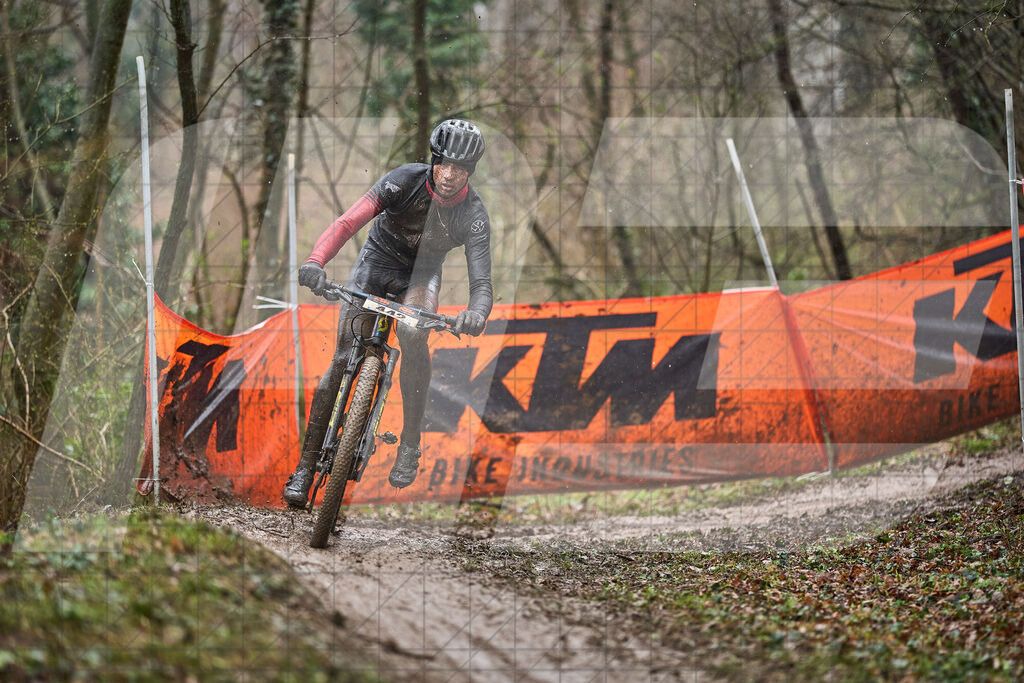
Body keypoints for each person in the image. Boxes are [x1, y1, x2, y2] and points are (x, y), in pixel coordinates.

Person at [282, 119, 492, 508]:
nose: (450, 175)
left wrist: (476, 314)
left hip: (421, 278)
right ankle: (305, 468)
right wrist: (316, 261)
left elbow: (482, 283)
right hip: (375, 266)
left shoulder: (473, 214)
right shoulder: (404, 180)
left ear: (470, 172)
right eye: (445, 164)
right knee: (344, 356)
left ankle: (410, 442)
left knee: (414, 337)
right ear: (435, 161)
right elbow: (348, 221)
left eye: (460, 169)